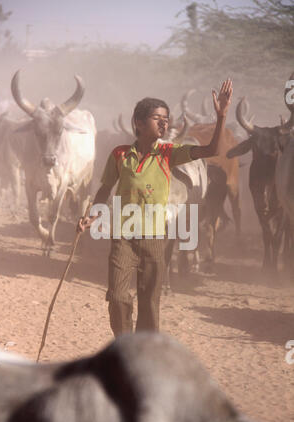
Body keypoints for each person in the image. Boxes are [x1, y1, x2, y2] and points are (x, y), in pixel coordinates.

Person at [78, 79, 233, 337]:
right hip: (123, 235)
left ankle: (143, 351)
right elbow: (105, 188)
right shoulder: (119, 154)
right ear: (138, 123)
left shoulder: (169, 153)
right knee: (117, 296)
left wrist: (222, 117)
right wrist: (92, 216)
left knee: (149, 301)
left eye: (166, 119)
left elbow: (211, 150)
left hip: (155, 236)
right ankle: (125, 343)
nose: (164, 123)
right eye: (157, 118)